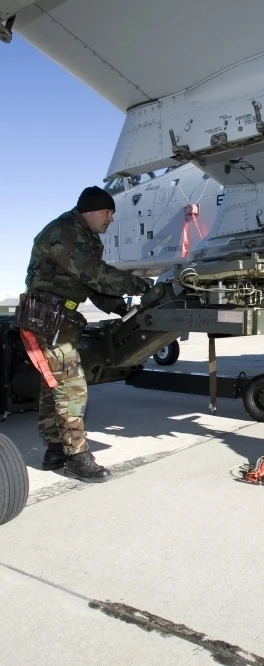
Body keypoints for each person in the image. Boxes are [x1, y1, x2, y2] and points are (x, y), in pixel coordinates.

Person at [21, 186, 152, 482]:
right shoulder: (64, 232)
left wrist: (119, 307)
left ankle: (55, 449)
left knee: (53, 386)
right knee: (71, 386)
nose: (111, 219)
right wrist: (139, 284)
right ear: (91, 211)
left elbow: (92, 286)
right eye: (107, 212)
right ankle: (77, 457)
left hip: (59, 318)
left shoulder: (86, 238)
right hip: (46, 319)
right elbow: (92, 273)